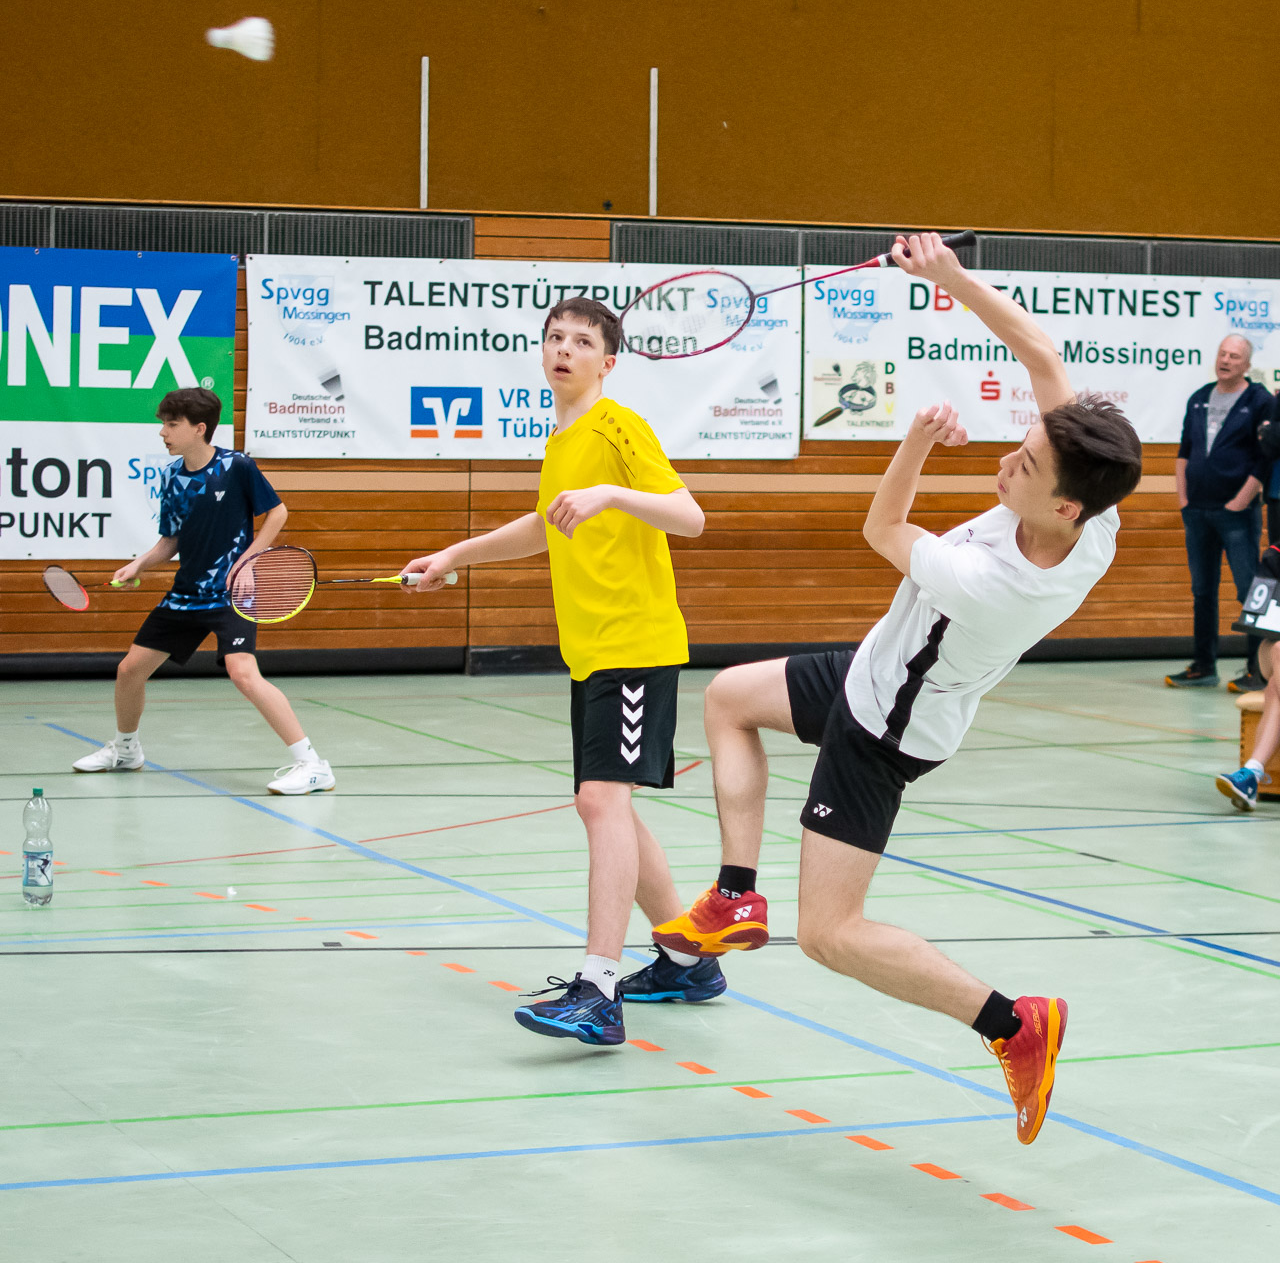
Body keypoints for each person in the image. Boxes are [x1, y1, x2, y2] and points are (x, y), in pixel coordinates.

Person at [651, 233, 1143, 1145]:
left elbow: (883, 527)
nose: (1008, 464)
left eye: (1025, 468)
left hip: (883, 729)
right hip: (878, 667)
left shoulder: (995, 584)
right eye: (1020, 447)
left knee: (830, 934)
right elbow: (1039, 351)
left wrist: (915, 442)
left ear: (1065, 507)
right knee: (729, 698)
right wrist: (951, 279)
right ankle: (734, 894)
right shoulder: (1092, 507)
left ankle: (1013, 1023)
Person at [399, 298, 717, 1045]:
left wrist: (612, 493)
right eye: (554, 338)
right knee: (611, 807)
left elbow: (690, 516)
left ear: (609, 362)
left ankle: (598, 988)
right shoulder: (563, 437)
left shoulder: (617, 427)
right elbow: (547, 524)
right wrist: (453, 556)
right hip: (593, 649)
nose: (564, 349)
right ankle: (687, 960)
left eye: (581, 341)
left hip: (634, 644)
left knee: (601, 802)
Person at [71, 389, 335, 795]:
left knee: (243, 673)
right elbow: (171, 541)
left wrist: (248, 561)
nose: (163, 432)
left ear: (199, 428)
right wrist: (139, 564)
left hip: (230, 593)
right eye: (163, 424)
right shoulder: (172, 477)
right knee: (129, 670)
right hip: (186, 593)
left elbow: (277, 512)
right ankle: (125, 751)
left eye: (171, 424)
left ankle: (313, 766)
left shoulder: (236, 466)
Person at [1166, 335, 1273, 692]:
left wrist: (1240, 501)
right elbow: (1185, 450)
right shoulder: (1199, 397)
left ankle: (1257, 671)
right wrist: (1184, 498)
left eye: (1234, 356)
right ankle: (1203, 666)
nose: (1226, 360)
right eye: (1223, 354)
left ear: (1247, 364)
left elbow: (1264, 459)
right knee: (1202, 591)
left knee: (1249, 591)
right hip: (1197, 510)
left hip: (1237, 514)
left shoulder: (1259, 400)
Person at [1216, 544, 1280, 811]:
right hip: (1274, 648)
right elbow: (1258, 617)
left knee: (1275, 687)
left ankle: (1252, 773)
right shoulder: (1275, 556)